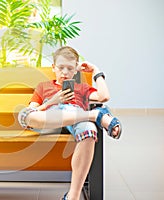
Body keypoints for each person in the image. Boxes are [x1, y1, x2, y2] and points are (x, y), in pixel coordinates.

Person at [18, 46, 122, 200]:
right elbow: (32, 113)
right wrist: (52, 102)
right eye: (61, 68)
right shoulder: (43, 86)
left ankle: (73, 196)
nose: (65, 73)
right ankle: (95, 115)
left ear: (76, 71)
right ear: (53, 67)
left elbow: (104, 97)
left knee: (89, 129)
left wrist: (96, 71)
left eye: (70, 68)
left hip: (75, 118)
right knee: (24, 114)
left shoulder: (81, 88)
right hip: (50, 118)